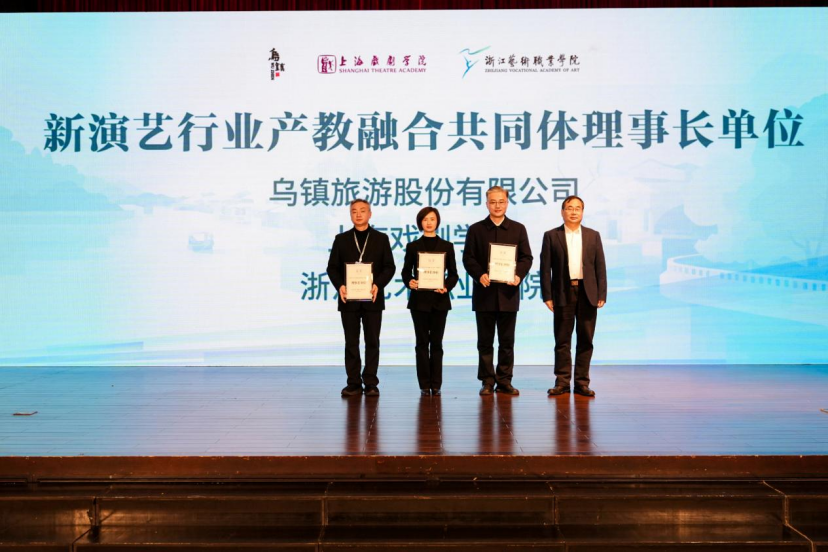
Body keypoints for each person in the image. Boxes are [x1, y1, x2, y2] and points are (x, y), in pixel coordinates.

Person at [462, 186, 533, 396]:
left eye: (501, 201)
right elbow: (468, 258)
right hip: (484, 293)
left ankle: (504, 380)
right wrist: (479, 274)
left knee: (507, 342)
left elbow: (526, 257)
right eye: (493, 202)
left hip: (508, 294)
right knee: (485, 342)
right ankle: (487, 381)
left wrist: (518, 275)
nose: (497, 206)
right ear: (486, 204)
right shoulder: (476, 229)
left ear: (507, 203)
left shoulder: (518, 229)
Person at [326, 199, 396, 397]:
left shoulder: (381, 238)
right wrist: (340, 285)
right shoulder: (341, 239)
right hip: (348, 300)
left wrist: (378, 285)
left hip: (373, 299)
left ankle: (371, 382)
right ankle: (354, 383)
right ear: (350, 215)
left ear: (370, 214)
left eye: (362, 211)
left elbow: (389, 267)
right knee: (351, 342)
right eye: (354, 211)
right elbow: (332, 267)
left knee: (372, 341)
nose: (358, 214)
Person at [540, 195, 607, 397]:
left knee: (586, 339)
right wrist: (547, 295)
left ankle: (581, 383)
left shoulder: (593, 235)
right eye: (569, 208)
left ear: (582, 212)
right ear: (562, 212)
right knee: (562, 340)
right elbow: (545, 269)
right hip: (563, 292)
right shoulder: (551, 236)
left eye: (578, 208)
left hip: (588, 293)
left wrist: (602, 293)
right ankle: (562, 382)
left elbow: (600, 266)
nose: (574, 211)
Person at [401, 207, 459, 396]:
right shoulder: (413, 246)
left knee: (437, 344)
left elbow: (454, 274)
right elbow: (405, 272)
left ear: (437, 221)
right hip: (419, 301)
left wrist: (446, 286)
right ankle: (424, 385)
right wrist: (410, 281)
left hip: (440, 300)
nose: (428, 222)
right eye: (425, 219)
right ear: (420, 222)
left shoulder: (447, 246)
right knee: (421, 343)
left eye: (432, 219)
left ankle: (437, 384)